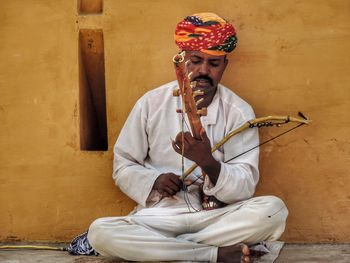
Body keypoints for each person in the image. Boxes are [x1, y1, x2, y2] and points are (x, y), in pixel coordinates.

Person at [87, 12, 288, 262]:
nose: (204, 71)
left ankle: (167, 250)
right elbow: (123, 165)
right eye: (195, 60)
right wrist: (155, 181)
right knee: (101, 232)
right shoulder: (151, 104)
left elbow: (245, 184)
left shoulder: (239, 111)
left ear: (225, 65)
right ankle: (213, 254)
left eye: (214, 64)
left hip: (217, 217)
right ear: (181, 62)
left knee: (273, 211)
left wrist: (208, 163)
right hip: (161, 216)